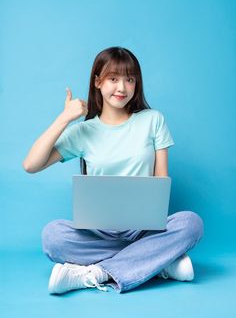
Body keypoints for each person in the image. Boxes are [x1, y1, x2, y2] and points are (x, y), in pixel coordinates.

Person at [23, 46, 204, 295]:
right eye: (113, 79)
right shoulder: (84, 131)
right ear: (98, 82)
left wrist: (151, 217)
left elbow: (161, 179)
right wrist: (64, 118)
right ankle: (159, 262)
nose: (122, 88)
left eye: (130, 79)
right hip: (99, 232)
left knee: (191, 223)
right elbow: (31, 165)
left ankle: (96, 273)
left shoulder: (153, 120)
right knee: (52, 236)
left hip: (144, 229)